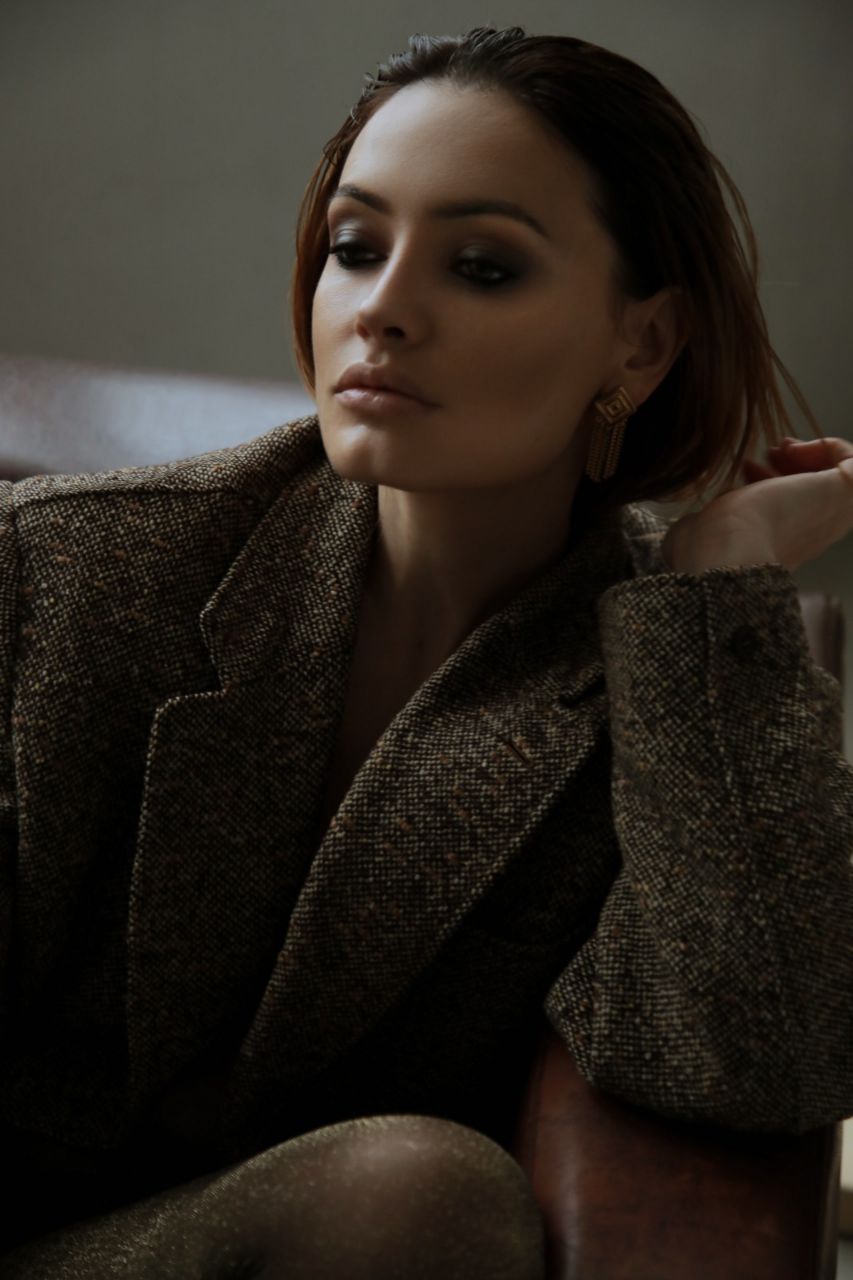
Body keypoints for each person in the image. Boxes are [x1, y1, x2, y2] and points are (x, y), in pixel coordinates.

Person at [2, 23, 852, 1280]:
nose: (382, 308)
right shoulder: (69, 568)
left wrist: (716, 582)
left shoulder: (670, 678)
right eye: (354, 248)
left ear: (643, 344)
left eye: (481, 266)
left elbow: (761, 1055)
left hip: (300, 1241)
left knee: (418, 1195)